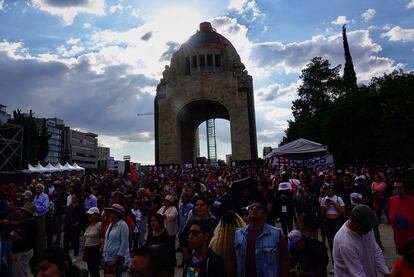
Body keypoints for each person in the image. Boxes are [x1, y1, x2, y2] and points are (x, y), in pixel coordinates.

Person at [234, 202, 290, 277]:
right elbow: (232, 260)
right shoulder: (238, 234)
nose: (254, 209)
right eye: (251, 207)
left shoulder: (276, 234)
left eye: (258, 208)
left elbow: (285, 260)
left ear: (265, 216)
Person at [333, 204, 390, 277]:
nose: (369, 230)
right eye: (367, 228)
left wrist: (386, 272)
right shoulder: (345, 243)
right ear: (356, 223)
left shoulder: (365, 229)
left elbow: (376, 251)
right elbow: (357, 273)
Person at [320, 184, 346, 265]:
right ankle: (334, 264)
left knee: (339, 243)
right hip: (328, 222)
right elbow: (322, 213)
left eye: (329, 190)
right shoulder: (324, 199)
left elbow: (343, 213)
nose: (328, 191)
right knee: (331, 243)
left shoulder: (338, 199)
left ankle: (342, 262)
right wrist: (326, 206)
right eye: (326, 190)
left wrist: (334, 204)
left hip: (337, 222)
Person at [11, 202, 38, 277]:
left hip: (23, 252)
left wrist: (15, 238)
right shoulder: (26, 222)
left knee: (20, 273)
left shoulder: (29, 224)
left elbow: (26, 241)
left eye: (23, 211)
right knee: (19, 272)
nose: (21, 212)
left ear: (28, 213)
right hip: (22, 251)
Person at [103, 203, 129, 277]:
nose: (109, 214)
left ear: (116, 214)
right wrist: (104, 256)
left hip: (116, 260)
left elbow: (124, 245)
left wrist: (115, 260)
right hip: (107, 258)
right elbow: (107, 241)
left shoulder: (123, 225)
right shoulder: (110, 225)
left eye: (111, 212)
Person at [144, 213, 175, 277]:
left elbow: (169, 254)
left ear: (160, 222)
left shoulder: (165, 236)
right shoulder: (150, 234)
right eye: (151, 221)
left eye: (155, 220)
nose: (152, 223)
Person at [388, 179, 414, 254]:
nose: (397, 189)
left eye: (400, 187)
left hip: (410, 234)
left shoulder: (412, 200)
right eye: (395, 187)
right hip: (398, 234)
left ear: (405, 188)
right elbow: (391, 212)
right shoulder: (392, 200)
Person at [64, 193, 84, 262]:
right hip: (68, 226)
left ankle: (76, 255)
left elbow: (81, 217)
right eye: (72, 197)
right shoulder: (70, 206)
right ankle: (66, 255)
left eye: (74, 197)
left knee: (75, 241)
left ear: (77, 199)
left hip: (75, 227)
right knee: (66, 241)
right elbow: (67, 215)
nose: (72, 198)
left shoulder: (80, 207)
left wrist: (77, 223)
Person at [83, 207, 101, 277]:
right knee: (90, 269)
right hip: (88, 251)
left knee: (95, 270)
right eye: (88, 215)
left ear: (96, 215)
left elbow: (102, 237)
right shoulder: (88, 225)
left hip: (95, 250)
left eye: (91, 214)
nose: (89, 216)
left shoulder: (99, 224)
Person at [33, 183, 49, 253]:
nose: (36, 189)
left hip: (40, 218)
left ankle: (42, 250)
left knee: (41, 235)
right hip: (34, 217)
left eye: (38, 188)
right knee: (36, 234)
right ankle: (37, 249)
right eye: (36, 188)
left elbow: (45, 208)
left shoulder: (45, 196)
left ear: (42, 189)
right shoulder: (36, 196)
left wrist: (35, 207)